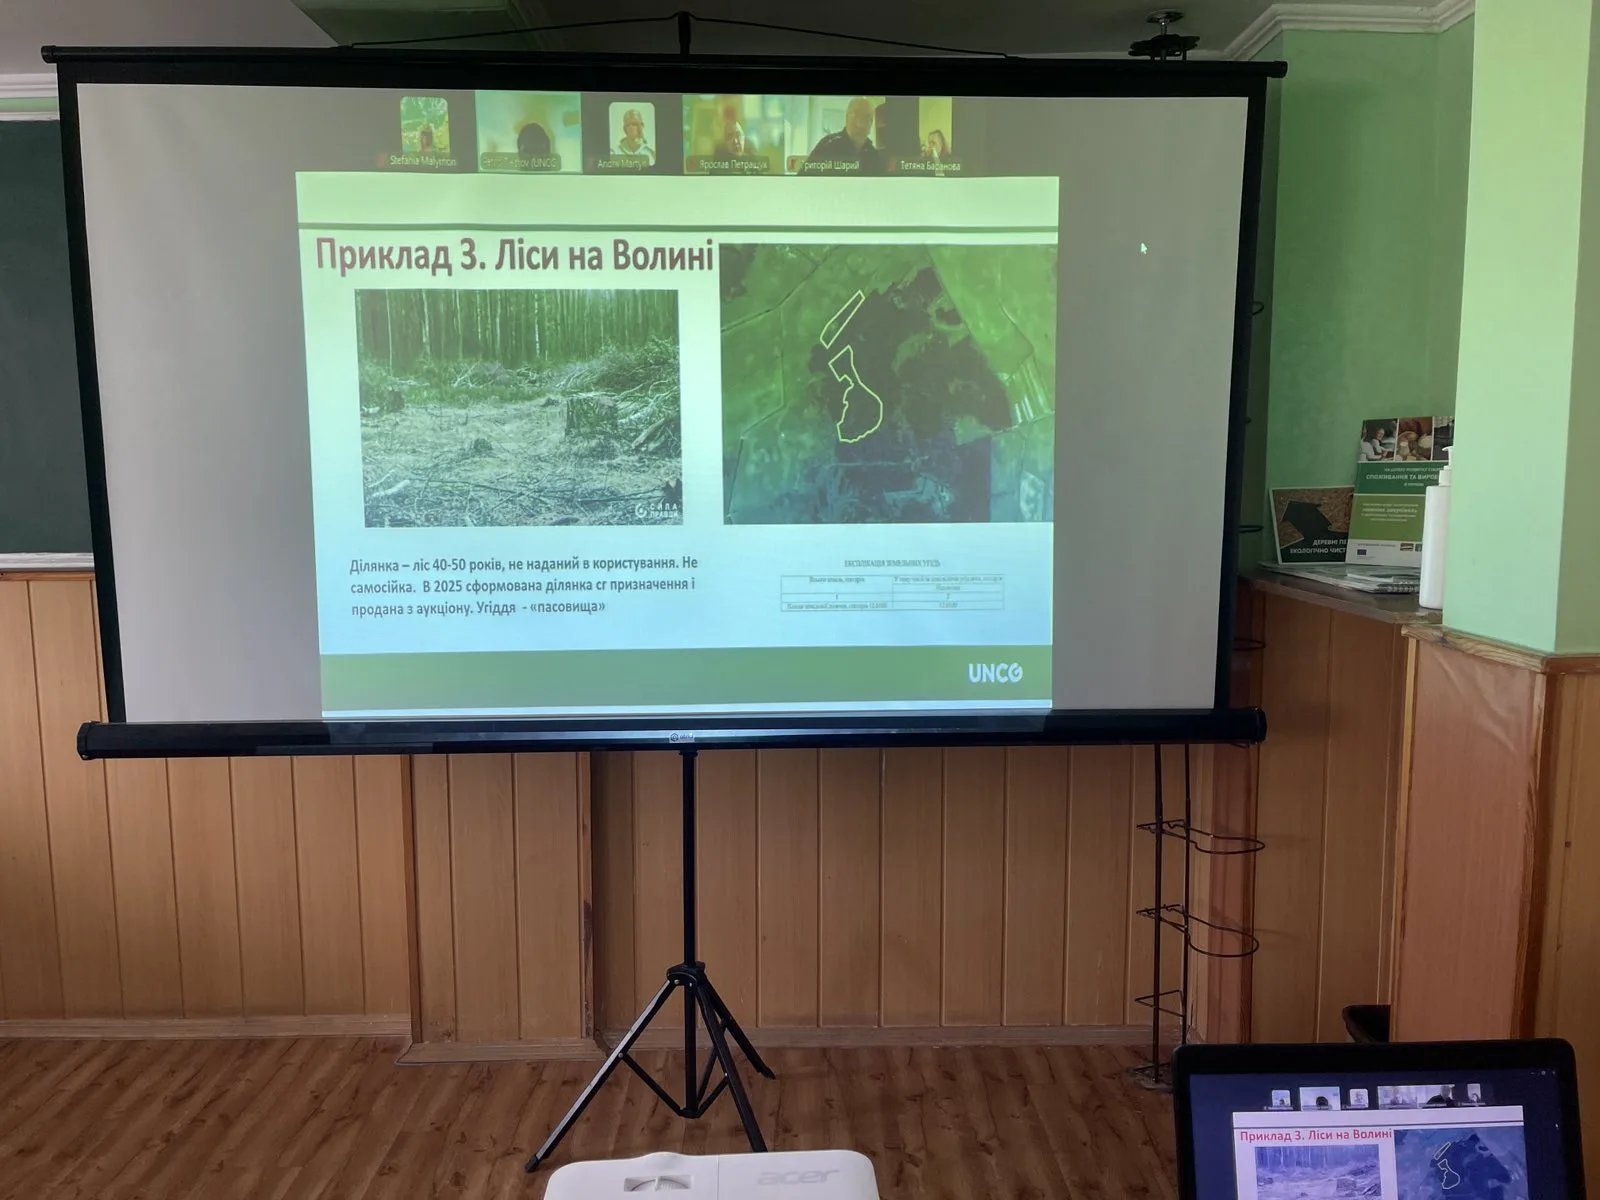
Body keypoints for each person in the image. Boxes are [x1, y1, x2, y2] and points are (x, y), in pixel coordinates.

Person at [808, 97, 883, 173]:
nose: (861, 122)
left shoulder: (873, 154)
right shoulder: (827, 146)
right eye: (856, 114)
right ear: (847, 117)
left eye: (867, 117)